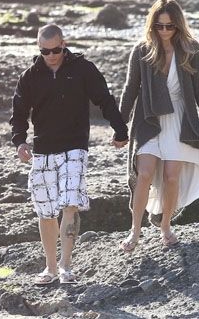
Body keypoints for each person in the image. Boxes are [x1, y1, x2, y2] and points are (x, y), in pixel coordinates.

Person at [10, 23, 128, 284]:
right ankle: (50, 268)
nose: (51, 55)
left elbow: (104, 100)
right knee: (46, 212)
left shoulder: (82, 69)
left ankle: (66, 266)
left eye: (55, 50)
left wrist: (121, 130)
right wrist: (19, 142)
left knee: (70, 204)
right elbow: (18, 113)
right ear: (39, 49)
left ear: (63, 44)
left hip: (75, 147)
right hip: (43, 150)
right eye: (45, 51)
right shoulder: (30, 76)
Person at [118, 0, 199, 252]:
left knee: (172, 177)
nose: (164, 31)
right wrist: (120, 125)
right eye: (159, 26)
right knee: (144, 174)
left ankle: (165, 227)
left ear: (178, 25)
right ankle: (135, 231)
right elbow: (130, 88)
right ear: (152, 25)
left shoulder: (191, 49)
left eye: (169, 26)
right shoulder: (142, 50)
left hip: (180, 119)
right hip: (149, 119)